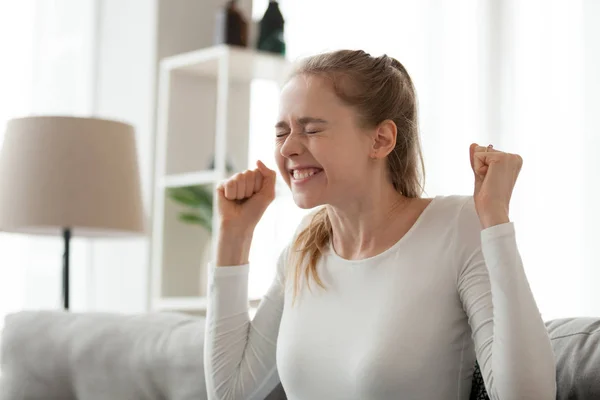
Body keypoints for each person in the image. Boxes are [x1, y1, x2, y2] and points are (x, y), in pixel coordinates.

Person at [204, 50, 556, 400]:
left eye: (311, 129)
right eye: (282, 133)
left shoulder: (457, 226)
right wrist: (234, 234)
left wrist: (494, 218)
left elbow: (528, 395)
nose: (289, 149)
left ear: (381, 139)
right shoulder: (303, 247)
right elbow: (229, 392)